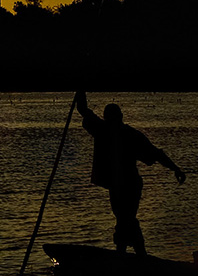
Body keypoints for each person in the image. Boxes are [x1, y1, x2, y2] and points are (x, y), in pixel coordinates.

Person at [75, 91, 185, 256]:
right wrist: (80, 92)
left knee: (126, 219)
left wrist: (176, 168)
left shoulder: (121, 133)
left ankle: (134, 254)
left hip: (130, 185)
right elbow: (83, 109)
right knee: (123, 219)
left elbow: (155, 153)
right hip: (118, 184)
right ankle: (129, 253)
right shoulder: (105, 130)